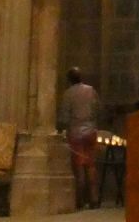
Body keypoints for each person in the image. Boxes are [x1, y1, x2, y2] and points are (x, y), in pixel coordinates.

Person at [57, 66, 103, 209]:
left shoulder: (68, 94)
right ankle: (94, 199)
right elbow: (98, 109)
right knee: (91, 165)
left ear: (69, 80)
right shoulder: (91, 90)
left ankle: (80, 200)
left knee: (79, 167)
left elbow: (64, 116)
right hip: (90, 131)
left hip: (75, 133)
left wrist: (61, 128)